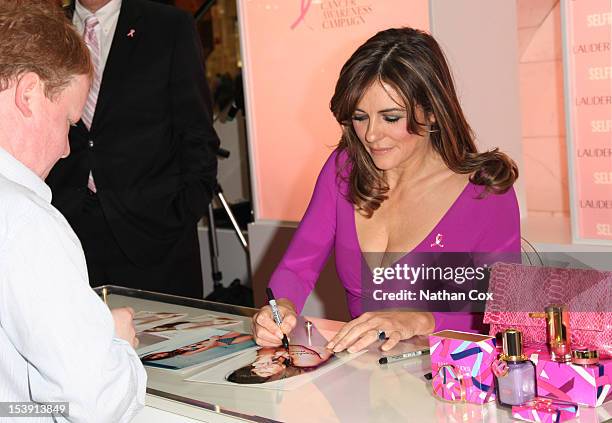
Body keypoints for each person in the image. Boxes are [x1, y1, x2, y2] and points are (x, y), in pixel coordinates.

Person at [252, 27, 520, 354]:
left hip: (447, 386)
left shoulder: (484, 192)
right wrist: (279, 308)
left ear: (432, 111)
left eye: (390, 117)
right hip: (360, 381)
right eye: (359, 118)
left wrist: (420, 321)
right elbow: (297, 267)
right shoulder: (344, 168)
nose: (371, 136)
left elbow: (506, 319)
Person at [0, 1, 146, 421]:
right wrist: (113, 340)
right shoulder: (27, 224)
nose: (67, 148)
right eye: (67, 121)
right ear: (29, 94)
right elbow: (93, 404)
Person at [46, 0, 220, 298]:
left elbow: (197, 133)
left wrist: (183, 209)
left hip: (156, 233)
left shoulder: (168, 26)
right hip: (66, 231)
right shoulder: (46, 30)